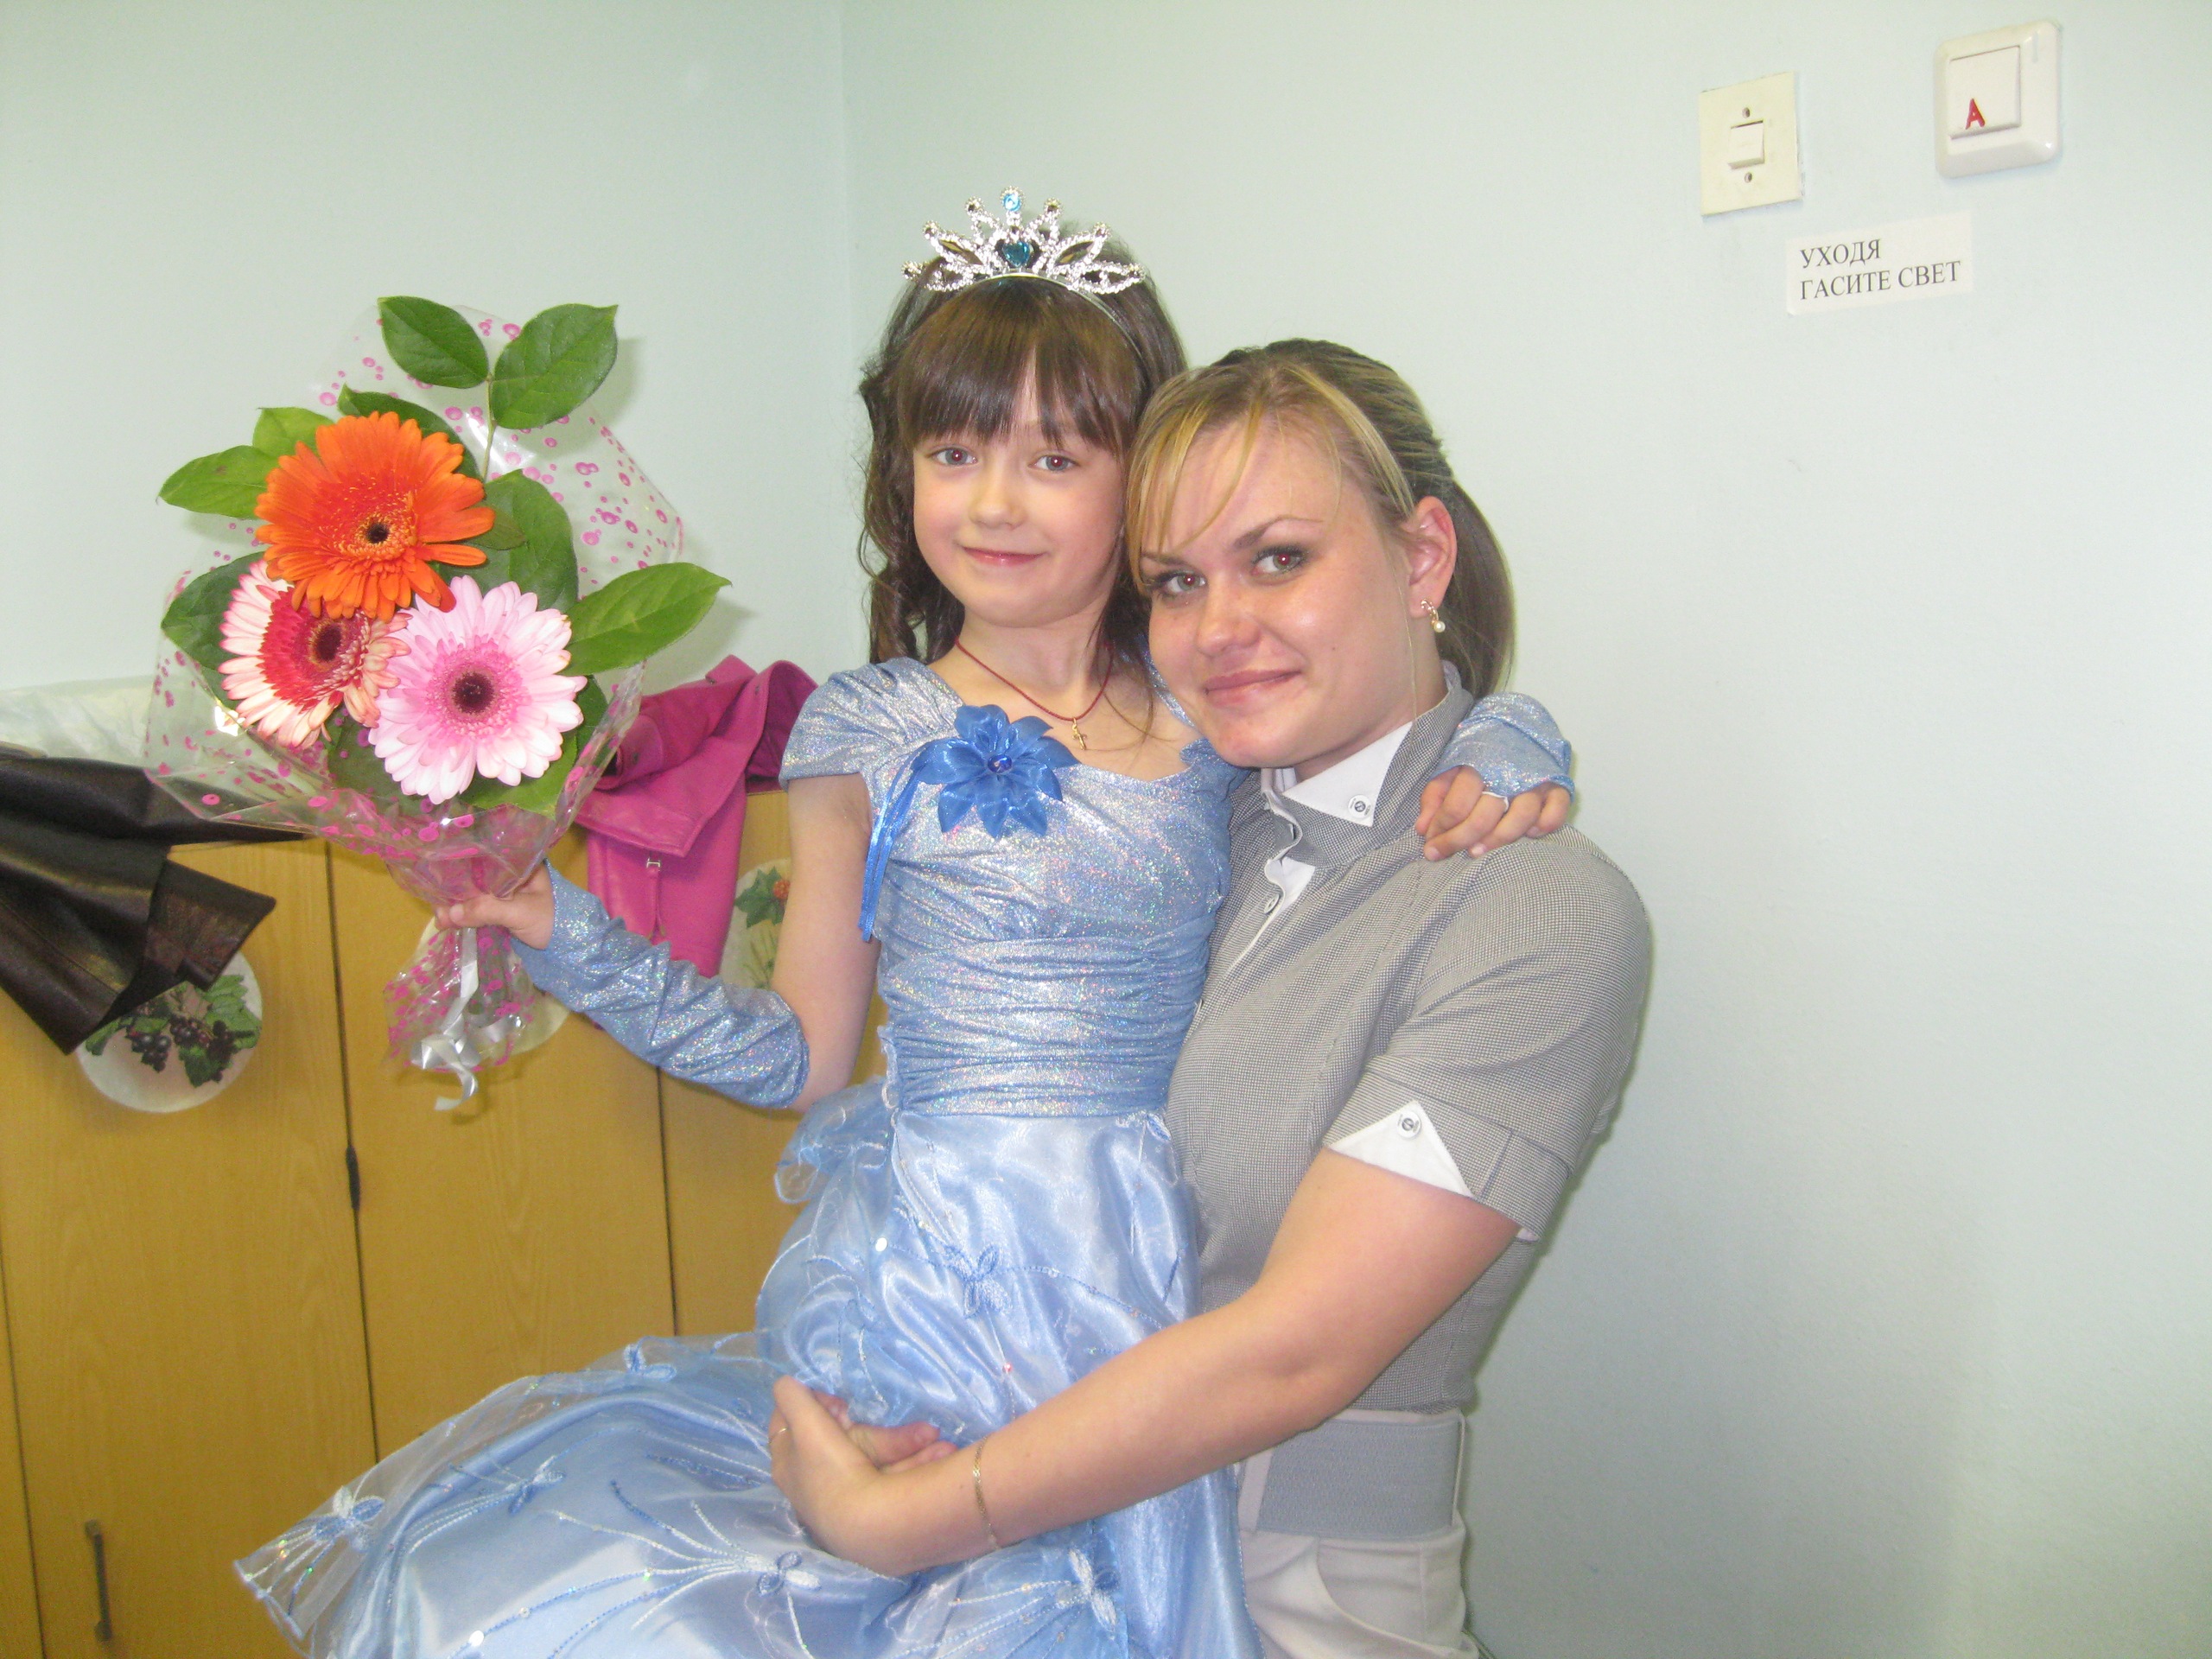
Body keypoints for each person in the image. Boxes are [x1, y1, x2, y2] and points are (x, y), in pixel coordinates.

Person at [237, 200, 1575, 1658]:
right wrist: (574, 936)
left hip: (1136, 1262)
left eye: (1053, 459)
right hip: (935, 1267)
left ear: (1139, 484)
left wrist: (1508, 735)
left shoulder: (1212, 704)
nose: (994, 503)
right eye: (953, 453)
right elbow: (802, 1056)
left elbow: (1370, 732)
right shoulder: (864, 728)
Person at [766, 340, 1651, 1659]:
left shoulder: (1535, 909)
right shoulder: (1203, 821)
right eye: (1176, 580)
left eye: (1279, 558)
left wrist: (909, 1520)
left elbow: (1294, 1351)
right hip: (1035, 1517)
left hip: (1292, 1589)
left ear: (1422, 558)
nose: (1218, 627)